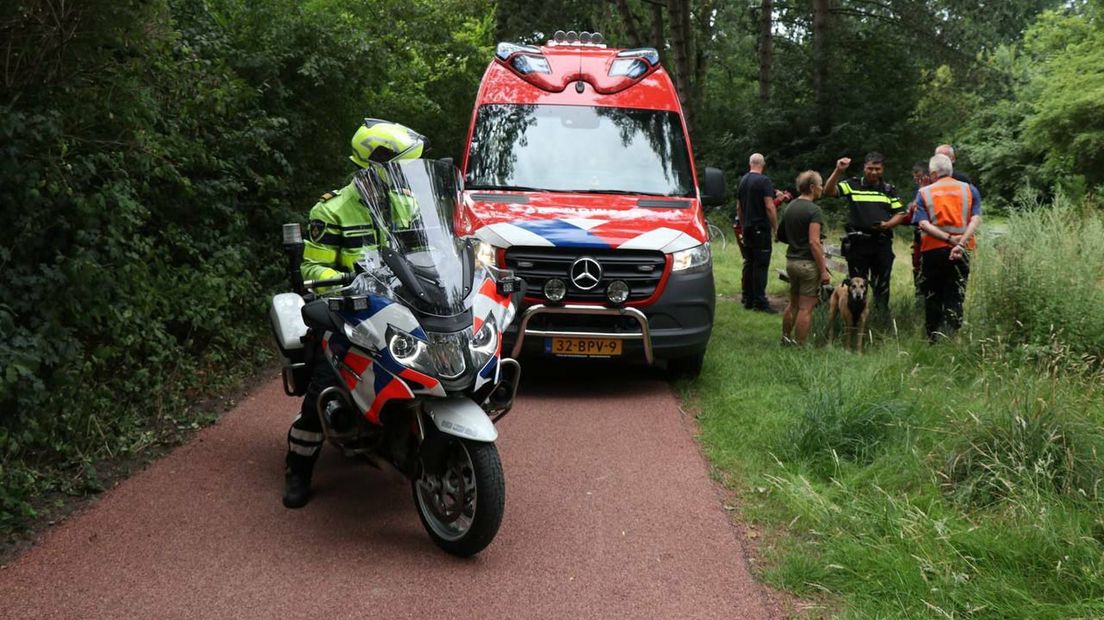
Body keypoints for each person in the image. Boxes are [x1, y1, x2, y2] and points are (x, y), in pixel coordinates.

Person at [284, 119, 427, 509]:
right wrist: (349, 279)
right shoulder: (331, 211)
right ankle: (298, 467)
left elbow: (426, 256)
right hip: (347, 313)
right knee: (322, 392)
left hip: (398, 309)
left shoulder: (405, 205)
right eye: (398, 166)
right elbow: (311, 271)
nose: (403, 175)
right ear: (374, 166)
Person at [823, 152, 906, 312]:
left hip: (881, 243)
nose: (874, 172)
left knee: (882, 285)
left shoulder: (889, 190)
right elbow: (829, 191)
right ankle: (853, 320)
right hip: (858, 244)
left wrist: (887, 224)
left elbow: (900, 213)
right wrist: (838, 171)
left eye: (877, 169)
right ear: (864, 168)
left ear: (883, 169)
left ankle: (880, 319)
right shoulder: (853, 184)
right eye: (870, 168)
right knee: (856, 284)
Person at [912, 153, 981, 342]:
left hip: (932, 251)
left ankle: (933, 338)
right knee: (955, 293)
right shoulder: (969, 190)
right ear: (950, 170)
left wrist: (948, 238)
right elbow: (975, 219)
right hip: (962, 250)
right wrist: (960, 242)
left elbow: (923, 225)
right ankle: (952, 337)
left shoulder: (924, 193)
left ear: (933, 173)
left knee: (933, 293)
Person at [779, 171, 831, 345]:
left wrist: (796, 240)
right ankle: (800, 346)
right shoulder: (814, 210)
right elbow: (814, 243)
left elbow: (782, 235)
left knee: (793, 303)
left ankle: (786, 339)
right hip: (808, 265)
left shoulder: (790, 206)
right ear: (812, 187)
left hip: (791, 262)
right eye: (820, 184)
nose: (822, 188)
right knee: (806, 307)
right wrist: (823, 271)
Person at [735, 153, 781, 312]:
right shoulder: (764, 181)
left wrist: (743, 224)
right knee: (760, 265)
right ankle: (760, 302)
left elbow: (738, 207)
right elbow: (769, 206)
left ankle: (747, 298)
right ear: (763, 164)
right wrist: (776, 228)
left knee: (749, 263)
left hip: (747, 228)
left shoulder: (743, 181)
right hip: (760, 228)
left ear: (750, 164)